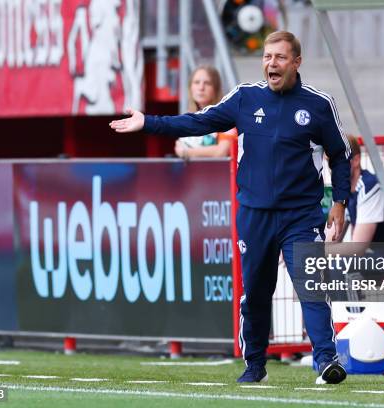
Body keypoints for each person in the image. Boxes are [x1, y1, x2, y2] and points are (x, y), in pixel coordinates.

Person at [110, 31, 351, 385]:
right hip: (254, 214)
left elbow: (341, 155)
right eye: (268, 56)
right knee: (255, 292)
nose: (272, 63)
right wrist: (149, 122)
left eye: (281, 57)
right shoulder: (245, 97)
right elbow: (198, 121)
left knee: (312, 287)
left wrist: (340, 202)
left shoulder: (318, 104)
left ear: (296, 63)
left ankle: (326, 361)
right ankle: (255, 366)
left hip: (300, 216)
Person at [173, 65, 238, 159]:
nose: (201, 88)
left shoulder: (226, 116)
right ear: (190, 87)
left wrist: (187, 152)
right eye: (196, 82)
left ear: (216, 89)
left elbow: (221, 151)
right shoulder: (186, 117)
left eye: (207, 83)